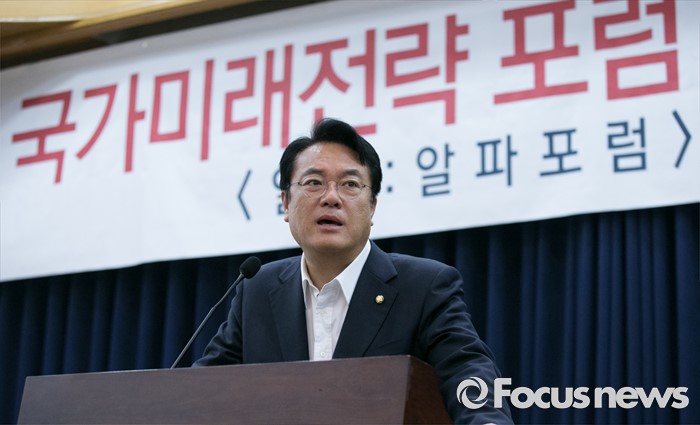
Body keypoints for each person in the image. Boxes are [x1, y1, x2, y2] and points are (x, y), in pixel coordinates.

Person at [194, 118, 513, 424]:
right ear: (286, 204)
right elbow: (201, 391)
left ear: (372, 207)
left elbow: (467, 370)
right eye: (314, 183)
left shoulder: (424, 286)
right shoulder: (257, 290)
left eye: (350, 184)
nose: (331, 198)